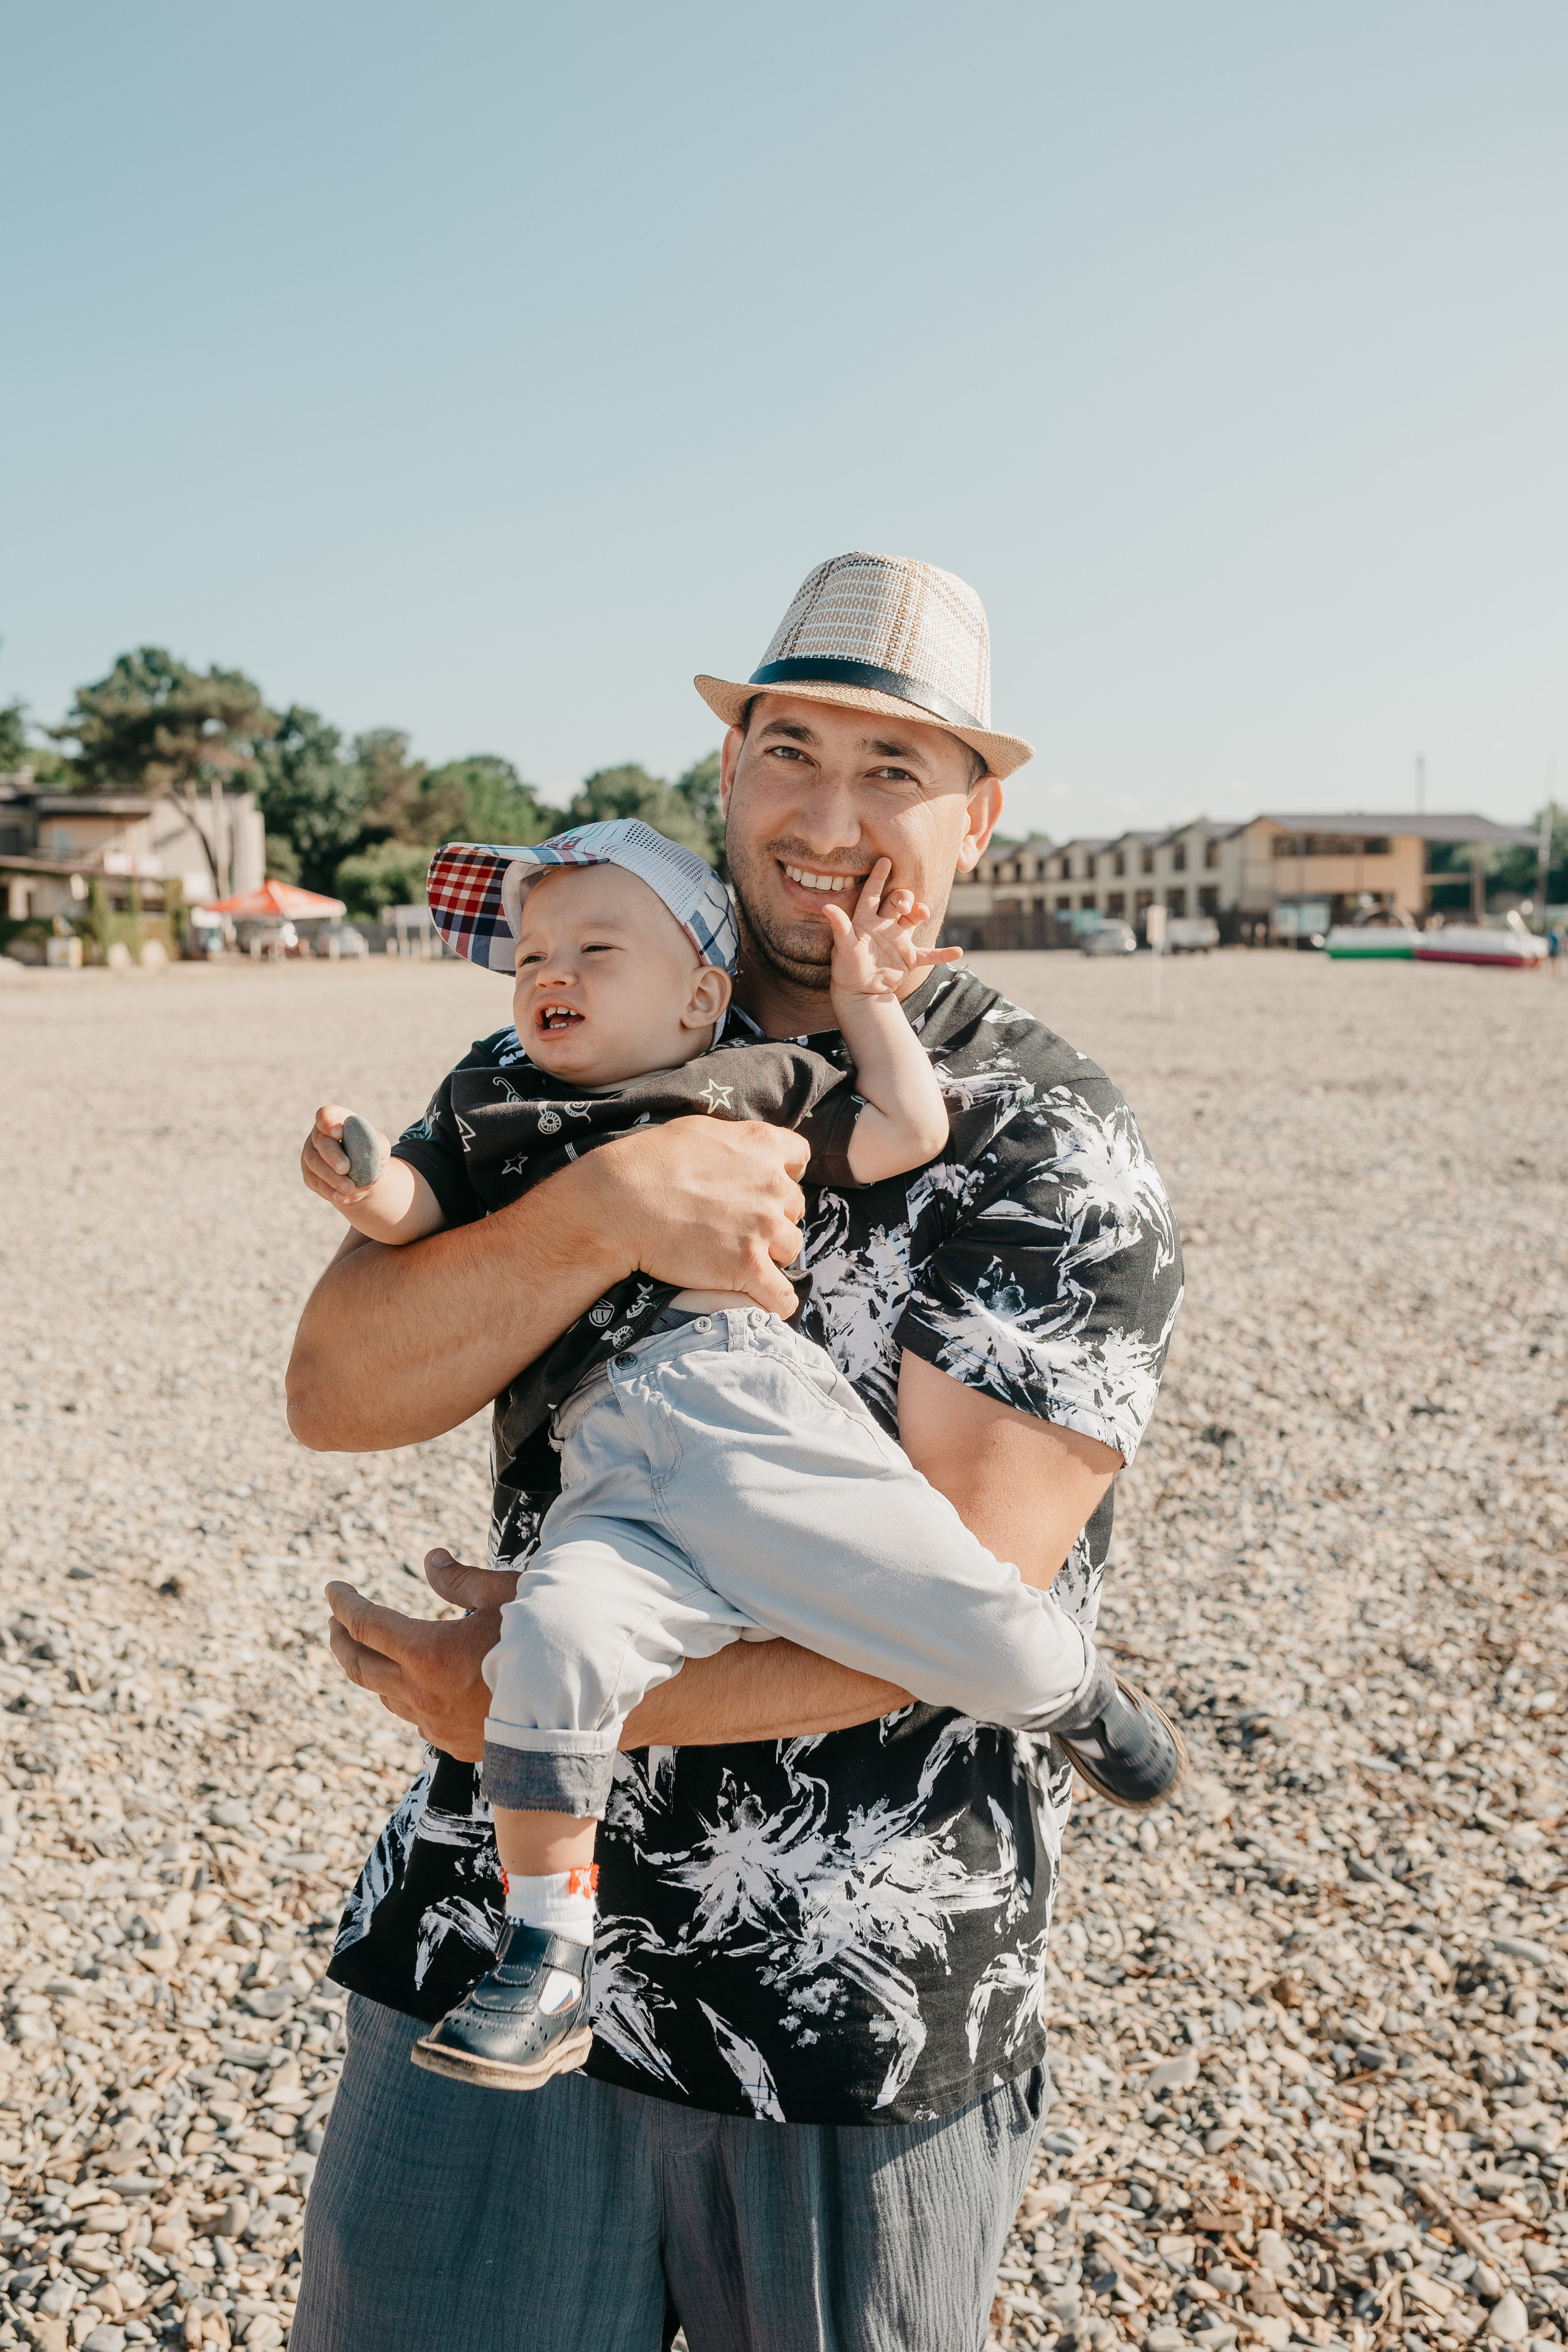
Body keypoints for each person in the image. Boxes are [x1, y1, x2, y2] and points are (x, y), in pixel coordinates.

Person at [286, 550, 1185, 2352]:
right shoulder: (581, 1041)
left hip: (846, 2002)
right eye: (789, 749)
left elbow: (952, 1594)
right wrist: (611, 1206)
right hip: (494, 1940)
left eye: (895, 771)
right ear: (727, 777)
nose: (829, 815)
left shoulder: (1047, 1142)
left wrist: (515, 1701)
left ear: (983, 820)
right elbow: (339, 1389)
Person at [301, 816, 1182, 2095]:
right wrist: (360, 1181)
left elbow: (897, 1130)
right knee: (554, 1640)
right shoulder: (495, 1091)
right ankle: (545, 1963)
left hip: (740, 1416)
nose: (550, 972)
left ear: (696, 994)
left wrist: (867, 1004)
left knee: (929, 1585)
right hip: (601, 1460)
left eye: (595, 947)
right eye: (531, 952)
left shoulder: (738, 1077)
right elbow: (409, 1223)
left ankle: (1064, 1695)